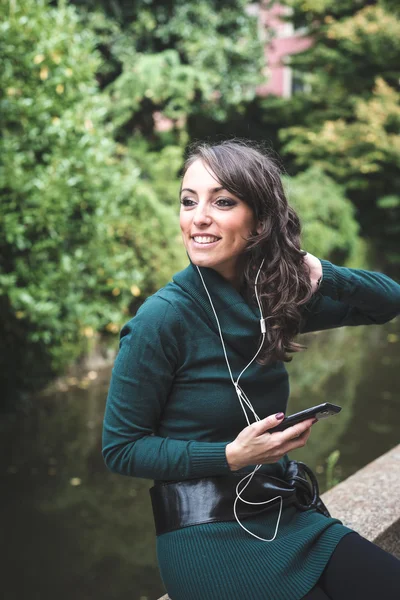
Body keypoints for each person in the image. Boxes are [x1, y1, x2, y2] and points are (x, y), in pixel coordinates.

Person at [102, 139, 400, 600]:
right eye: (188, 201)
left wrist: (314, 270)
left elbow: (388, 303)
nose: (198, 216)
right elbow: (121, 449)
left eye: (222, 202)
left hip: (286, 513)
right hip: (205, 537)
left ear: (259, 220)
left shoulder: (272, 299)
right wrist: (229, 456)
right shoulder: (160, 320)